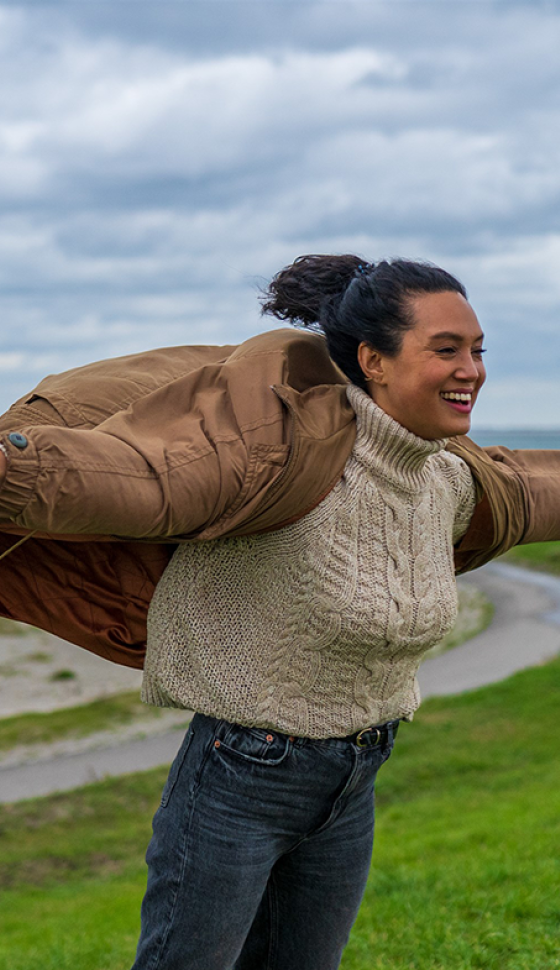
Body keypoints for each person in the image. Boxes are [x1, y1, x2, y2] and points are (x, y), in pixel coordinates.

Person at [0, 255, 559, 969]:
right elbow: (137, 480)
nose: (471, 369)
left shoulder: (443, 479)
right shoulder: (278, 462)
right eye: (446, 350)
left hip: (354, 780)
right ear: (373, 361)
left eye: (478, 351)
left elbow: (530, 492)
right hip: (238, 779)